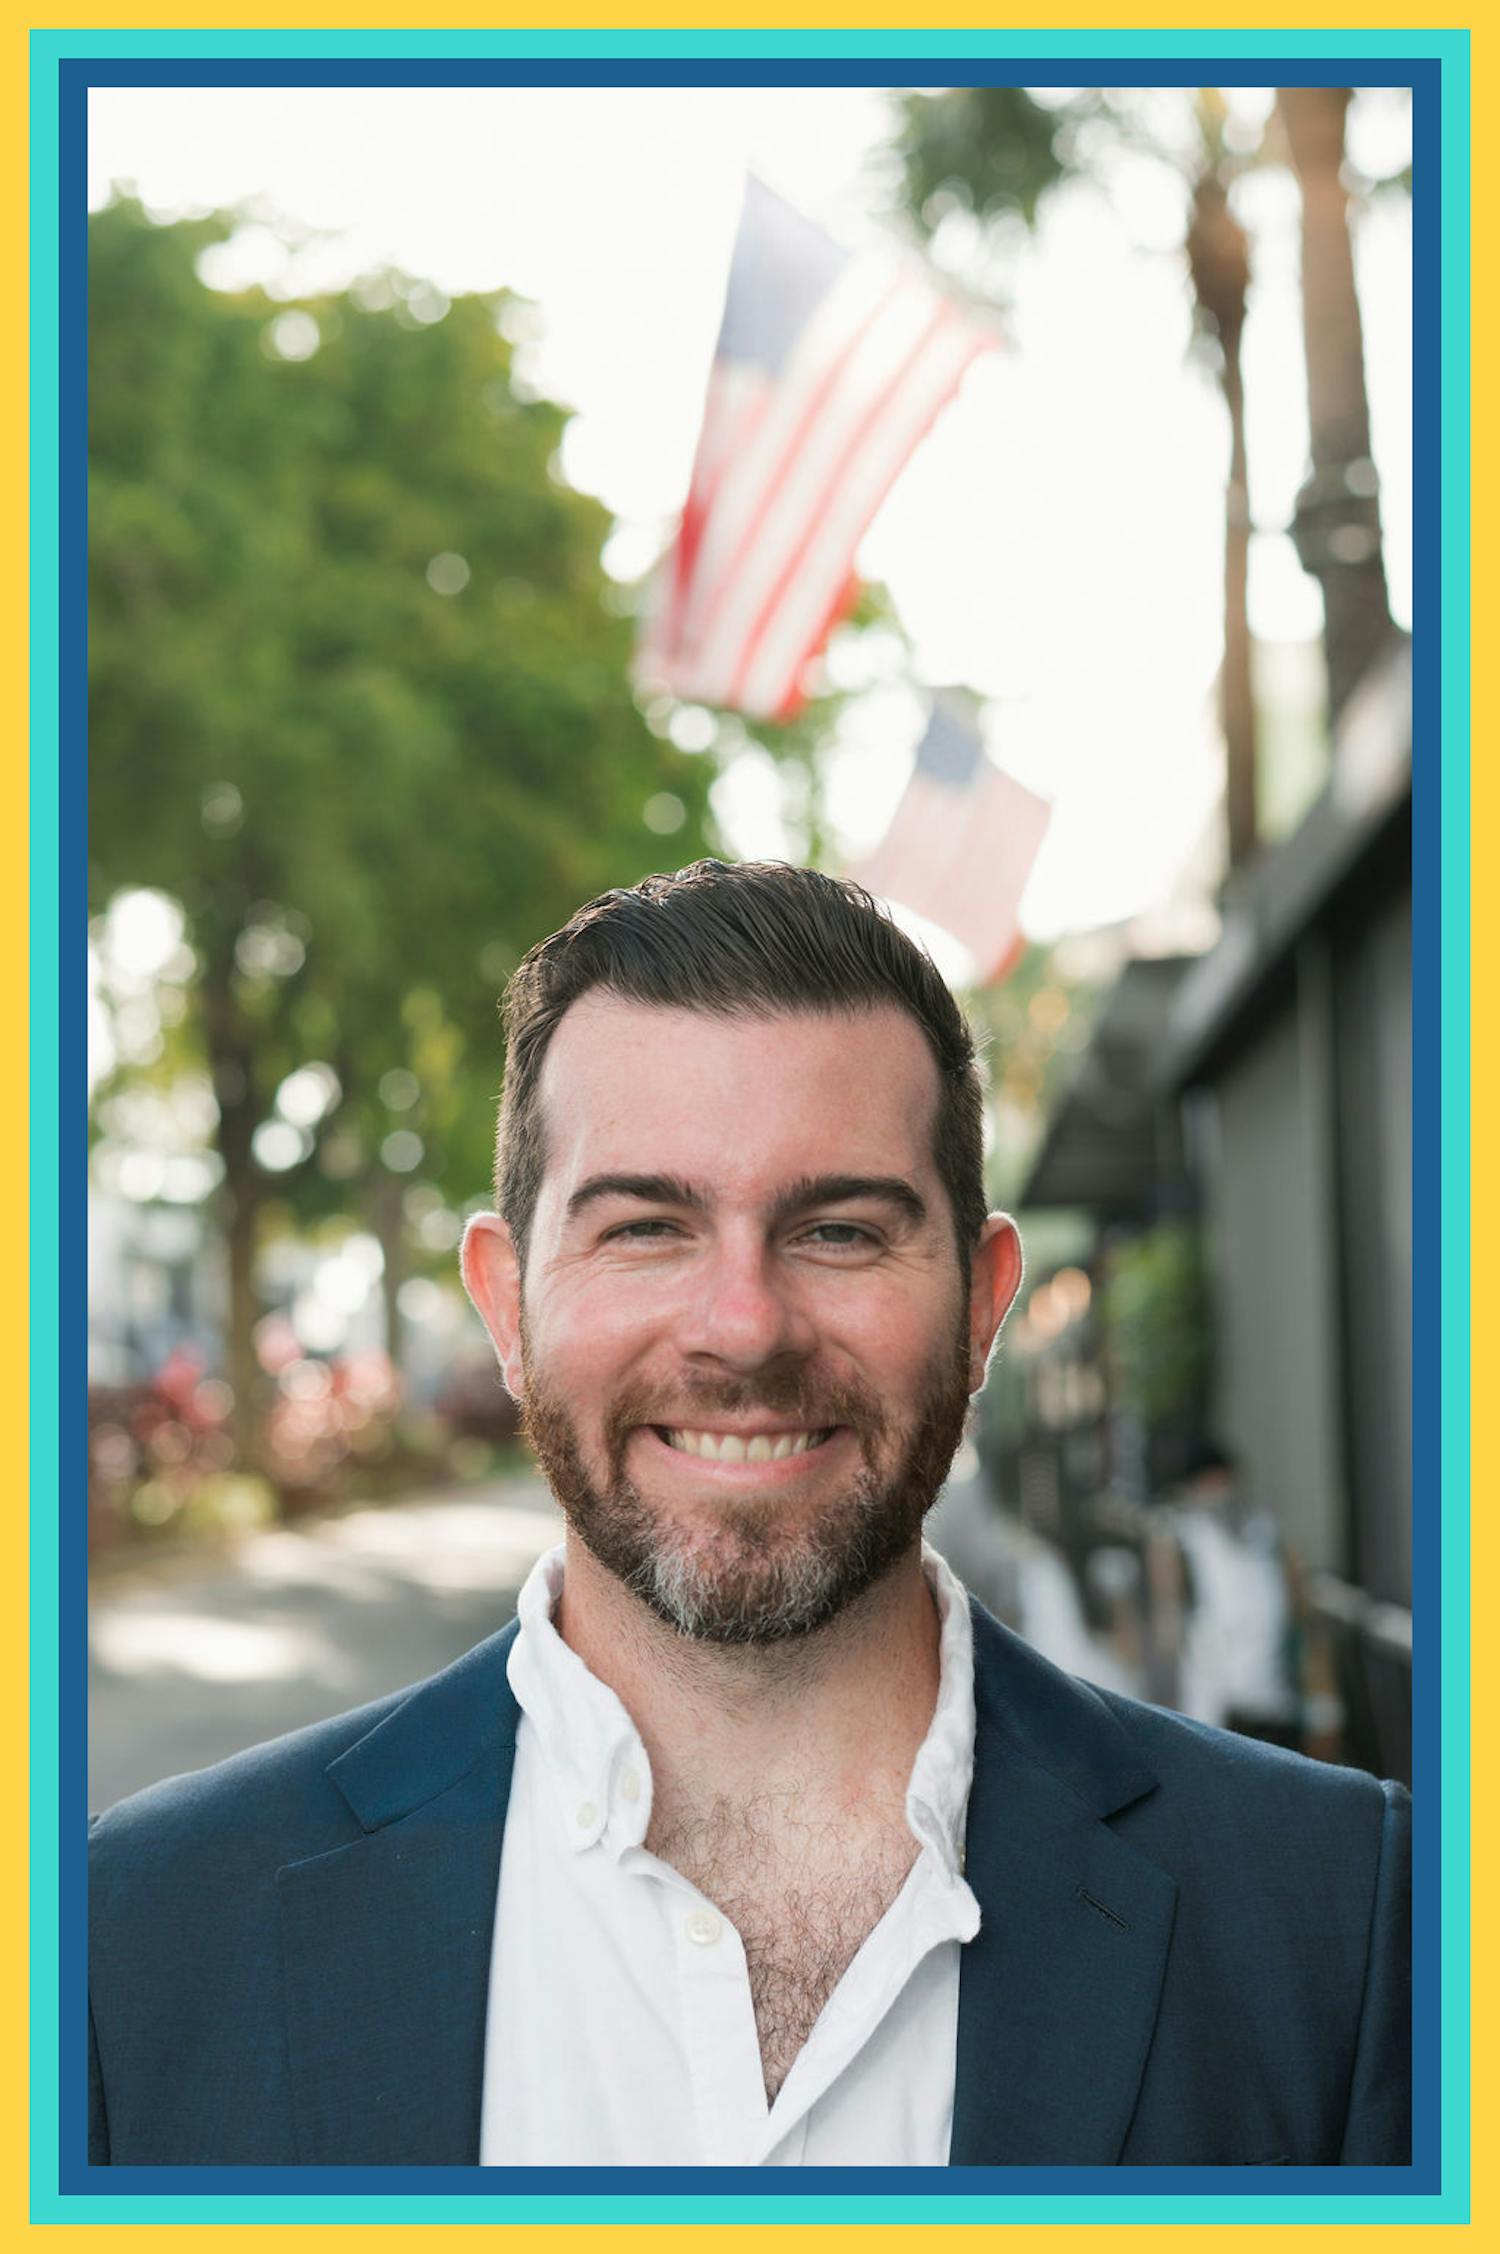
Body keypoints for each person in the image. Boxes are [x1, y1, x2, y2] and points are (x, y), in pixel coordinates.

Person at [88, 861, 1410, 2168]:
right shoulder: (132, 1940)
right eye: (646, 1227)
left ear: (981, 1305)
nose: (743, 1327)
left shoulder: (1344, 1920)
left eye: (839, 1230)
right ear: (506, 1306)